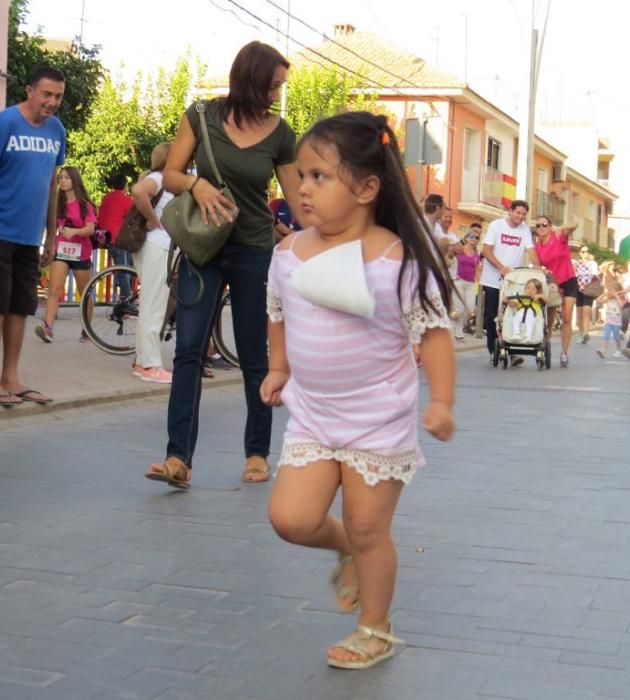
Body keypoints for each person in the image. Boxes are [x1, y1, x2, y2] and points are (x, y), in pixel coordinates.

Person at [261, 112, 454, 670]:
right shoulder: (288, 253)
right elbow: (277, 313)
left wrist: (441, 401)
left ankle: (375, 626)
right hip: (315, 417)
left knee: (372, 527)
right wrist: (278, 367)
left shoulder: (397, 261)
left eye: (320, 176)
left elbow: (434, 335)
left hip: (378, 418)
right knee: (291, 519)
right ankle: (343, 546)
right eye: (300, 176)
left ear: (368, 188)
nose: (302, 187)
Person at [146, 41, 302, 487]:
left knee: (255, 353)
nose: (276, 95)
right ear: (250, 80)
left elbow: (296, 200)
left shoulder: (280, 133)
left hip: (254, 248)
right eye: (272, 86)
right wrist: (196, 185)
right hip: (203, 247)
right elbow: (170, 174)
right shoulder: (201, 115)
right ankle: (178, 459)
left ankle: (257, 452)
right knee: (189, 349)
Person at [0, 65, 66, 407]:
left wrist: (51, 235)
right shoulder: (5, 123)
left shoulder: (57, 130)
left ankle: (11, 377)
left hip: (30, 235)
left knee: (20, 306)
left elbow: (52, 183)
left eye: (58, 96)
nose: (52, 102)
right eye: (47, 94)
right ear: (30, 91)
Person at [129, 143, 175, 384]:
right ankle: (150, 365)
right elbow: (138, 191)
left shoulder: (159, 177)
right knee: (154, 306)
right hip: (158, 246)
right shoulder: (161, 178)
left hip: (152, 245)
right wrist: (154, 219)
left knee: (151, 303)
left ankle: (142, 360)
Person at [35, 166, 98, 343]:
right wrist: (49, 246)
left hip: (81, 253)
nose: (63, 181)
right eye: (61, 177)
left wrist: (75, 232)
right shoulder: (56, 203)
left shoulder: (85, 205)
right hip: (61, 250)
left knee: (84, 293)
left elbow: (91, 228)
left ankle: (87, 329)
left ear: (75, 181)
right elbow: (51, 227)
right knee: (54, 289)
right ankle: (48, 328)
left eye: (67, 178)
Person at [480, 200, 540, 366]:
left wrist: (537, 266)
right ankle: (493, 350)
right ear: (510, 211)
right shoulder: (496, 225)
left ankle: (511, 351)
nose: (520, 217)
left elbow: (531, 250)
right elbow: (486, 250)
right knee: (493, 316)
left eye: (523, 214)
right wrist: (501, 267)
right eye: (518, 213)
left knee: (513, 314)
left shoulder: (525, 230)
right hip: (493, 279)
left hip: (513, 281)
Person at [533, 215, 579, 367]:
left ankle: (564, 353)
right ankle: (544, 347)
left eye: (544, 225)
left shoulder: (559, 236)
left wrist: (559, 228)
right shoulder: (537, 246)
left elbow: (574, 223)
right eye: (538, 226)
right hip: (552, 284)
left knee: (566, 318)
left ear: (550, 226)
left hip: (568, 280)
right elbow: (538, 266)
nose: (541, 228)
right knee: (549, 320)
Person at [452, 223, 482, 341]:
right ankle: (458, 333)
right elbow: (450, 262)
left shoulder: (476, 255)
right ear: (466, 238)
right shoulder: (459, 249)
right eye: (471, 236)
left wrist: (480, 284)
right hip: (458, 281)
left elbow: (477, 271)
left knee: (470, 309)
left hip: (470, 283)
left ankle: (452, 321)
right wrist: (453, 276)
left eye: (476, 237)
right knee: (459, 308)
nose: (474, 239)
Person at [572, 246, 600, 343]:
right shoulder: (576, 263)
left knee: (586, 311)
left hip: (589, 289)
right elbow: (572, 274)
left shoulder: (593, 264)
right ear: (580, 253)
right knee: (579, 313)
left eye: (587, 251)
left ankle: (585, 333)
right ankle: (580, 334)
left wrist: (593, 278)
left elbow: (596, 275)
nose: (585, 253)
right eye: (583, 251)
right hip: (578, 289)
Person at [595, 281, 625, 359]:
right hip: (608, 322)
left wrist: (617, 296)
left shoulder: (620, 299)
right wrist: (605, 294)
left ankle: (619, 349)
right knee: (606, 336)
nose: (611, 293)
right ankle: (603, 350)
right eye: (610, 291)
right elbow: (598, 300)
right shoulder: (608, 299)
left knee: (616, 337)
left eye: (612, 291)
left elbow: (621, 305)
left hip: (617, 323)